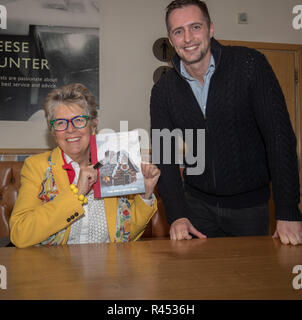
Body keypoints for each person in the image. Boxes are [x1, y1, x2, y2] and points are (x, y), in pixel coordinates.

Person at [150, 0, 302, 245]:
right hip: (197, 208)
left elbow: (279, 137)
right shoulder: (163, 91)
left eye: (195, 27)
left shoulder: (250, 65)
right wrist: (177, 214)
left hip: (250, 208)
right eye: (179, 31)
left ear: (210, 28)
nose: (188, 38)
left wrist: (288, 210)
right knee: (203, 283)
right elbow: (165, 155)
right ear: (171, 38)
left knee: (252, 280)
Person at [10, 83, 160, 248]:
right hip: (56, 268)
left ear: (93, 124)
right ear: (53, 131)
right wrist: (77, 193)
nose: (70, 129)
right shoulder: (37, 167)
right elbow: (20, 234)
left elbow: (126, 235)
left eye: (79, 120)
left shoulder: (113, 162)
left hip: (108, 267)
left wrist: (145, 194)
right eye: (60, 123)